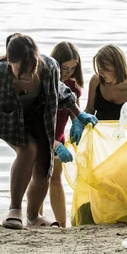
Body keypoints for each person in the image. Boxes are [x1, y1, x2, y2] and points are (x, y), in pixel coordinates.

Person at [0, 33, 97, 229]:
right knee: (28, 149)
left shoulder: (49, 67)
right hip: (10, 120)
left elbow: (62, 92)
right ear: (10, 61)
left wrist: (79, 115)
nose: (29, 74)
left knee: (45, 163)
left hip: (40, 118)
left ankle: (33, 216)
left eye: (33, 67)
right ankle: (15, 209)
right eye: (23, 69)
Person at [37, 41, 85, 228]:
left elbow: (76, 112)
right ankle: (36, 219)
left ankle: (63, 225)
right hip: (40, 137)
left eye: (73, 68)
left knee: (56, 180)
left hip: (60, 137)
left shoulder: (73, 85)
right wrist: (54, 144)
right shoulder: (43, 83)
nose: (68, 73)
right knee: (39, 179)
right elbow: (37, 122)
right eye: (65, 68)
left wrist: (78, 123)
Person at [84, 44, 127, 121]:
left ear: (118, 67)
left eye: (105, 69)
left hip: (121, 132)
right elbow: (89, 110)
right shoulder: (96, 81)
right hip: (97, 131)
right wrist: (80, 119)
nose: (100, 73)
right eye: (99, 68)